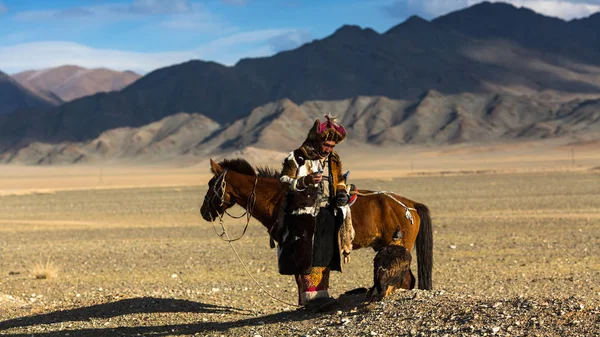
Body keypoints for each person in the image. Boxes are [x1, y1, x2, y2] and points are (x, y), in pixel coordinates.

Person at [276, 114, 354, 309]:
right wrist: (305, 181)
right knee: (307, 254)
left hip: (327, 211)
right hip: (303, 213)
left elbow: (339, 181)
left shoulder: (334, 159)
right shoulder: (297, 156)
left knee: (325, 253)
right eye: (326, 144)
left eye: (332, 146)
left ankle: (322, 294)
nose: (328, 149)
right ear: (316, 140)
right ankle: (308, 298)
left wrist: (342, 192)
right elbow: (283, 181)